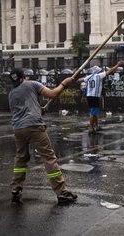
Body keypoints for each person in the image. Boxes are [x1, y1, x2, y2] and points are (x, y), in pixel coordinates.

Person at [8, 68, 78, 205]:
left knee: (21, 159)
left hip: (18, 129)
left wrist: (40, 110)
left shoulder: (11, 93)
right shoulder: (31, 84)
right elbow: (53, 94)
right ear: (24, 76)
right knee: (49, 158)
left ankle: (16, 190)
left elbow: (21, 110)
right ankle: (61, 192)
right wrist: (64, 83)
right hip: (34, 127)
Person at [80, 60, 124, 134]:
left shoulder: (89, 77)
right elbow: (110, 71)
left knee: (95, 111)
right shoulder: (98, 76)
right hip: (95, 96)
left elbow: (80, 80)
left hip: (89, 95)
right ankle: (91, 127)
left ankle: (96, 126)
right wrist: (118, 64)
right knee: (93, 112)